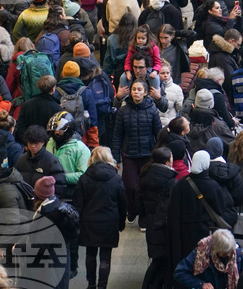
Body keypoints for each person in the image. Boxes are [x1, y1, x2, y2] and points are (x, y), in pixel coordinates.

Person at [167, 150, 233, 272]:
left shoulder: (181, 185)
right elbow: (221, 209)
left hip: (184, 233)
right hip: (206, 231)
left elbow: (173, 211)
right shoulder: (213, 185)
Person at [74, 146, 126, 289]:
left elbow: (78, 204)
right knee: (105, 257)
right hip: (109, 221)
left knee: (90, 254)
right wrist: (121, 223)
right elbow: (122, 203)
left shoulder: (84, 178)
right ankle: (102, 285)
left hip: (89, 222)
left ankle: (91, 284)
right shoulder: (116, 178)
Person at [110, 78, 161, 223]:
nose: (136, 92)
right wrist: (116, 158)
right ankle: (132, 210)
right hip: (129, 154)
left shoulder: (152, 110)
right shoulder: (123, 111)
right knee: (130, 186)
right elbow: (117, 135)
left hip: (147, 154)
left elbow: (158, 134)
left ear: (145, 93)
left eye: (139, 90)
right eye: (134, 89)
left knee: (145, 188)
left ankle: (144, 217)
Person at [137, 147, 178, 289]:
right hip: (163, 227)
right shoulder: (170, 182)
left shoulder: (145, 175)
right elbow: (168, 207)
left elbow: (139, 201)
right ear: (167, 162)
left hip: (151, 223)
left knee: (157, 260)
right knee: (161, 262)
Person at [174, 228, 243, 289]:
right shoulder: (200, 253)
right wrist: (201, 284)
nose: (229, 255)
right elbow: (179, 273)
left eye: (230, 251)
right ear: (215, 249)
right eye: (225, 253)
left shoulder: (236, 253)